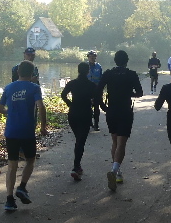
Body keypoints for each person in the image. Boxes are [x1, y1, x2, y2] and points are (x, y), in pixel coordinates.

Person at [0, 60, 47, 212]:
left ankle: (9, 200)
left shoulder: (9, 87)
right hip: (27, 131)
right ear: (32, 74)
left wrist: (10, 112)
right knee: (30, 160)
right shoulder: (34, 88)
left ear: (18, 72)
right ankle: (22, 187)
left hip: (11, 131)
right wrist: (43, 126)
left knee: (12, 165)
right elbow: (41, 107)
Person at [97, 50, 143, 191]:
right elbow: (140, 93)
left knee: (115, 142)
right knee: (121, 143)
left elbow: (98, 91)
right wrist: (129, 93)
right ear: (127, 61)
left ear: (115, 60)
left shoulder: (108, 73)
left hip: (111, 111)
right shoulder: (131, 74)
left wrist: (103, 106)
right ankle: (114, 170)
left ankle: (118, 173)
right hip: (125, 111)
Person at [61, 62, 99, 181]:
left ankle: (77, 167)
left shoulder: (72, 83)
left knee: (78, 139)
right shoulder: (92, 85)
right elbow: (96, 100)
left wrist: (70, 104)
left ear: (78, 70)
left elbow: (63, 95)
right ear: (88, 71)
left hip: (73, 114)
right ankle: (76, 167)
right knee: (80, 142)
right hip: (85, 114)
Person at [86, 50, 103, 131]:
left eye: (94, 57)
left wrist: (101, 89)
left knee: (96, 107)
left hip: (96, 89)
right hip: (87, 90)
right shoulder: (85, 66)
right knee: (87, 107)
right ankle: (89, 122)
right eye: (91, 57)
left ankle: (96, 124)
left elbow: (101, 78)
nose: (92, 58)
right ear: (88, 57)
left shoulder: (99, 66)